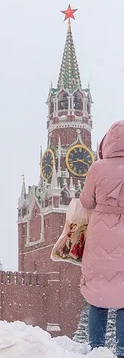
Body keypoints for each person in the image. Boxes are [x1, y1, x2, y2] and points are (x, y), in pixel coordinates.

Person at [80, 120, 124, 357]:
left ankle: (95, 349)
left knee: (97, 293)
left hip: (100, 232)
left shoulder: (97, 168)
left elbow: (86, 202)